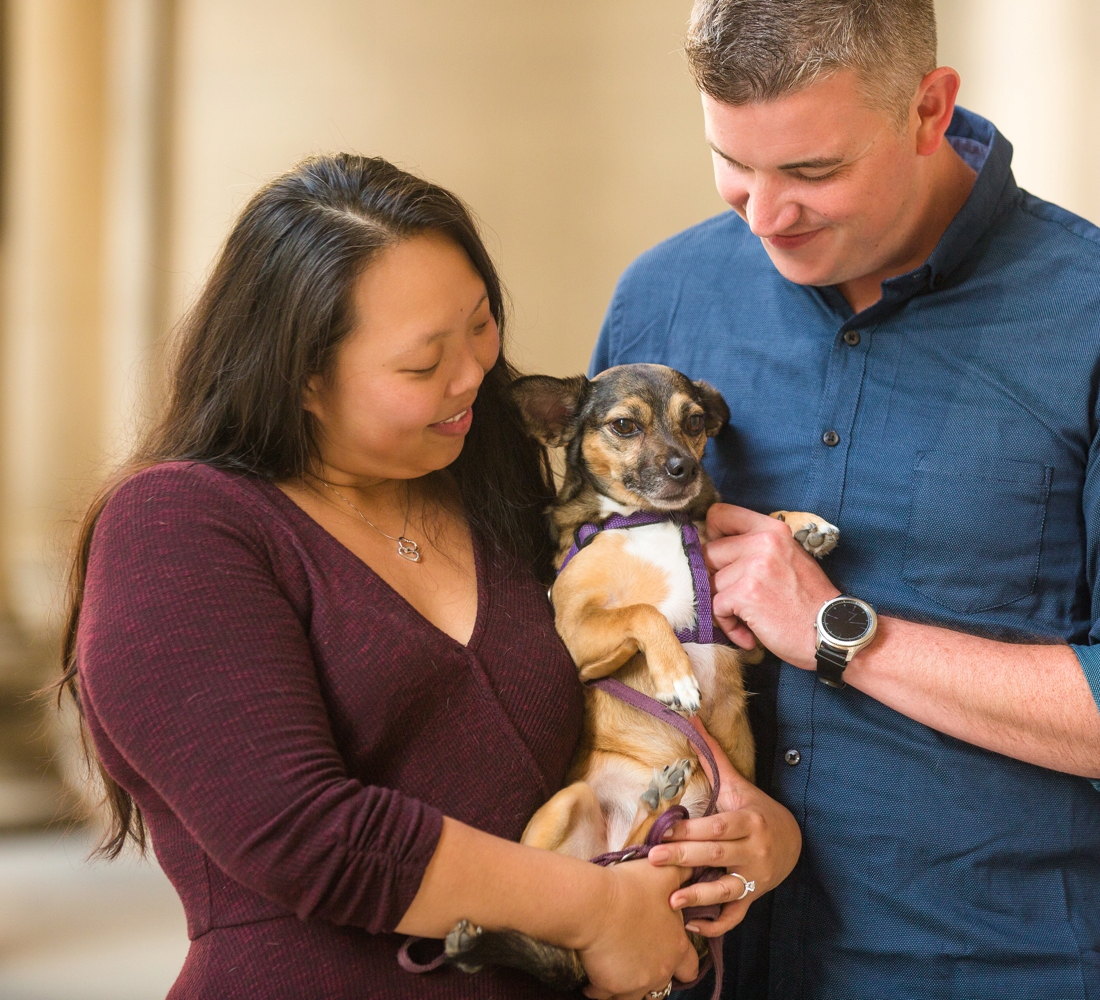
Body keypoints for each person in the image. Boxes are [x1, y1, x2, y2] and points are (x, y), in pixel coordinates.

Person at [601, 2, 1100, 997]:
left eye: (814, 172)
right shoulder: (662, 298)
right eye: (734, 163)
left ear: (929, 108)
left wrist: (835, 629)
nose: (766, 214)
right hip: (707, 969)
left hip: (1001, 969)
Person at [59, 153, 799, 1000]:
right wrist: (595, 910)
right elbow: (300, 832)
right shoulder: (178, 528)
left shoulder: (500, 481)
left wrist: (754, 835)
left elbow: (619, 708)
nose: (474, 376)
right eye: (422, 365)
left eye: (481, 325)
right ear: (301, 375)